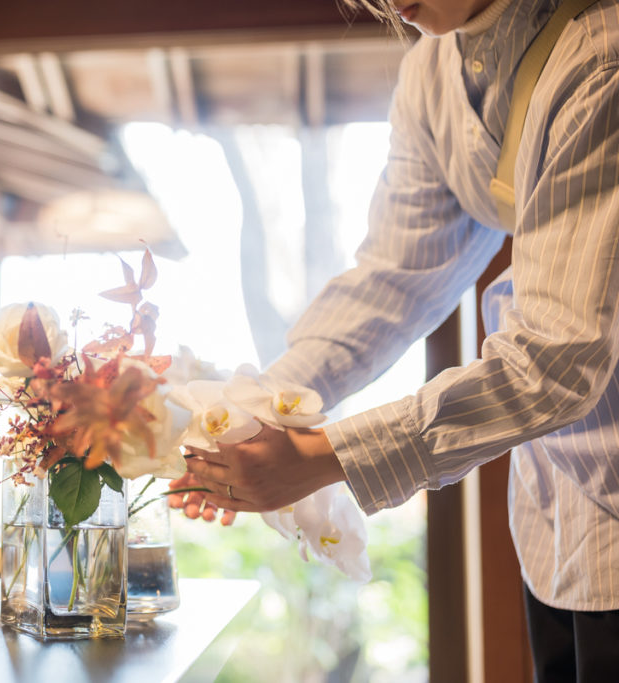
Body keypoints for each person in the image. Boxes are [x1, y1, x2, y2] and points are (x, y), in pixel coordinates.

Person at [167, 0, 619, 679]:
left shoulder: (599, 59)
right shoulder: (432, 73)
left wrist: (324, 454)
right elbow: (397, 277)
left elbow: (555, 359)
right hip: (558, 509)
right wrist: (250, 411)